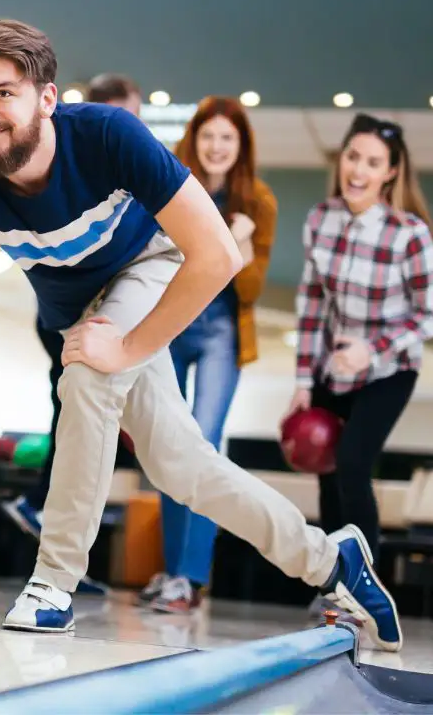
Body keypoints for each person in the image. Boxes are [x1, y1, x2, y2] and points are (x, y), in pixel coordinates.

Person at [0, 19, 403, 652]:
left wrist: (127, 347)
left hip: (147, 267)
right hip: (80, 311)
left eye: (3, 92)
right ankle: (332, 561)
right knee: (183, 469)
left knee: (90, 378)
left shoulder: (107, 136)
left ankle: (52, 585)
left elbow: (215, 255)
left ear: (46, 98)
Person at [286, 113, 433, 619]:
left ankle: (366, 587)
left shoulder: (409, 234)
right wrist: (303, 380)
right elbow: (312, 303)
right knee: (328, 475)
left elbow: (430, 316)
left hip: (390, 371)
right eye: (353, 156)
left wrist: (371, 349)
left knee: (354, 463)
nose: (358, 169)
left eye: (373, 162)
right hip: (334, 369)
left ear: (391, 173)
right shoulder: (321, 218)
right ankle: (335, 585)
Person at [0, 72, 145, 597]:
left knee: (76, 408)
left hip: (95, 307)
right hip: (69, 313)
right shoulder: (81, 152)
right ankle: (56, 564)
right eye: (127, 114)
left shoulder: (121, 159)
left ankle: (46, 524)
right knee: (80, 403)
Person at [136, 96, 278, 615]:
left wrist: (238, 240)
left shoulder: (258, 201)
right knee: (170, 444)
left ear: (241, 148)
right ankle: (174, 573)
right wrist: (223, 239)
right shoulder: (172, 184)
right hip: (173, 320)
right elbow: (153, 254)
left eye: (228, 139)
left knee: (204, 443)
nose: (217, 147)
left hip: (221, 329)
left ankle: (191, 576)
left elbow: (253, 286)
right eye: (209, 136)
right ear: (194, 138)